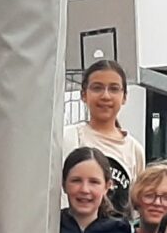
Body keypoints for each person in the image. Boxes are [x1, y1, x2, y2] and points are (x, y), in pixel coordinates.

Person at [61, 59, 144, 212]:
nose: (105, 96)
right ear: (83, 94)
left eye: (114, 89)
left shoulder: (135, 150)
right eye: (97, 88)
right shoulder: (69, 138)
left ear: (124, 97)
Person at [56, 146, 142, 233]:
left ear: (107, 186)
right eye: (76, 181)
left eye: (94, 182)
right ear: (64, 184)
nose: (84, 189)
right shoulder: (49, 231)